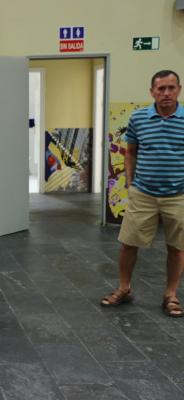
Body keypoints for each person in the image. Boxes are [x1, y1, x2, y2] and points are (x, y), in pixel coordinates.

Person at [100, 70, 184, 317]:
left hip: (178, 194)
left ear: (179, 89)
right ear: (152, 92)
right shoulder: (138, 118)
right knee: (128, 244)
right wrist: (130, 183)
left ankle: (170, 294)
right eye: (161, 89)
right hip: (143, 192)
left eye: (171, 88)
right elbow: (131, 152)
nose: (166, 93)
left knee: (177, 247)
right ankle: (124, 288)